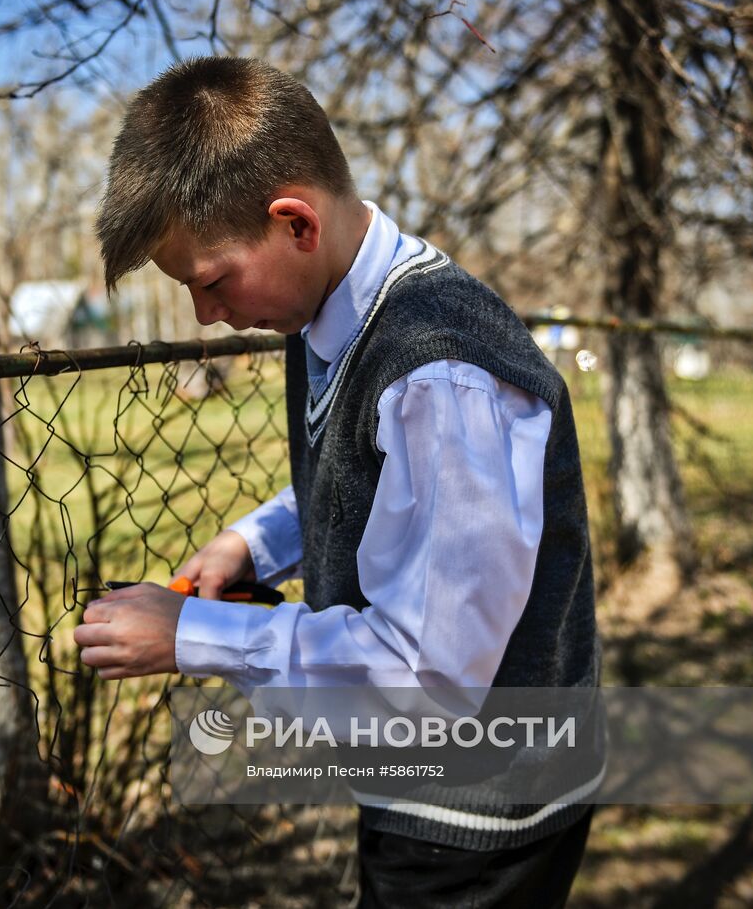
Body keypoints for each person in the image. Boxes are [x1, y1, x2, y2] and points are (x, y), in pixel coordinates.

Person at [72, 56, 599, 908]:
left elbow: (430, 678)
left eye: (212, 282)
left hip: (478, 814)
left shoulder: (439, 375)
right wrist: (258, 542)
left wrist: (194, 635)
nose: (207, 315)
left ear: (296, 224)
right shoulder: (330, 310)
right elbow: (386, 486)